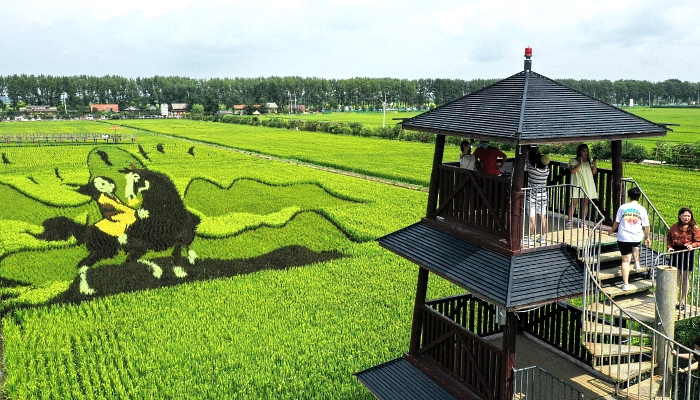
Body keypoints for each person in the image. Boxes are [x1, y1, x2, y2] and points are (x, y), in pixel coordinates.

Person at [608, 187, 650, 291]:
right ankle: (637, 263)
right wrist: (647, 237)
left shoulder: (623, 207)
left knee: (625, 261)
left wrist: (611, 231)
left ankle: (625, 284)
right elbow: (647, 226)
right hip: (637, 236)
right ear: (639, 197)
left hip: (624, 237)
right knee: (635, 246)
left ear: (629, 196)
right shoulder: (642, 209)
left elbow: (617, 222)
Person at [667, 207, 700, 311]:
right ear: (680, 216)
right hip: (676, 253)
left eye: (688, 216)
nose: (686, 218)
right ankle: (674, 301)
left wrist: (693, 245)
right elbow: (669, 239)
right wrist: (669, 247)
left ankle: (683, 301)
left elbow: (699, 241)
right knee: (675, 278)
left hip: (687, 253)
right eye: (685, 216)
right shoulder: (674, 227)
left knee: (685, 279)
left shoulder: (694, 228)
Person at [566, 144, 598, 228]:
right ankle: (569, 221)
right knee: (574, 203)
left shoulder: (589, 160)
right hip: (577, 184)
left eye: (587, 151)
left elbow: (594, 172)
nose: (586, 153)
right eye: (584, 151)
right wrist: (580, 163)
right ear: (579, 151)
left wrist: (594, 165)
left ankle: (583, 221)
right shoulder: (573, 160)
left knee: (585, 203)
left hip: (587, 183)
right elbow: (572, 171)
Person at [524, 154, 551, 245]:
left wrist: (527, 155)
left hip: (532, 197)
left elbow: (526, 162)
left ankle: (530, 238)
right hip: (543, 197)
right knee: (543, 217)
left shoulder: (533, 171)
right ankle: (543, 237)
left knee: (532, 218)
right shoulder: (547, 171)